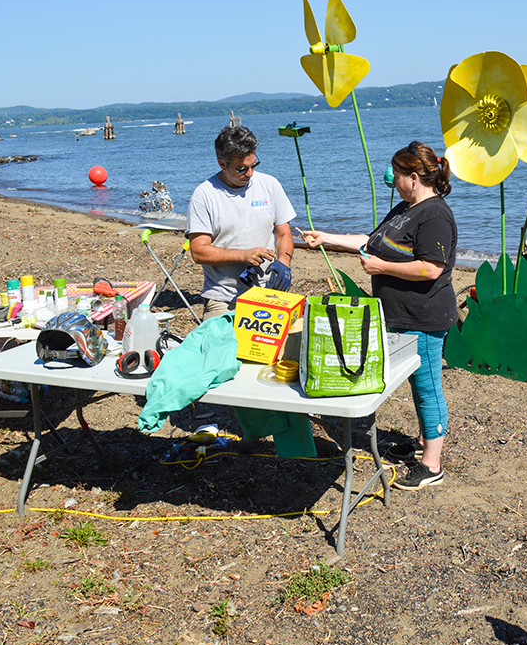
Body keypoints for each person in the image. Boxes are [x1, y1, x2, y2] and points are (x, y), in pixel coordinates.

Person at [304, 141, 457, 490]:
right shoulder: (407, 208)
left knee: (427, 387)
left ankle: (432, 465)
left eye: (398, 174)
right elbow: (372, 241)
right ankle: (421, 443)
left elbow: (431, 268)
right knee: (417, 385)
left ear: (413, 177)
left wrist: (381, 267)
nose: (393, 180)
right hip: (400, 314)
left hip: (424, 316)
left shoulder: (434, 215)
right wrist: (326, 238)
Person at [186, 126, 296, 320]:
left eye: (254, 165)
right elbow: (199, 251)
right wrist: (244, 255)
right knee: (222, 349)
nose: (250, 173)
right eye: (242, 169)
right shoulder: (204, 195)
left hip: (268, 293)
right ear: (222, 164)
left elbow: (284, 233)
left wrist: (284, 263)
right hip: (225, 298)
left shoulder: (270, 185)